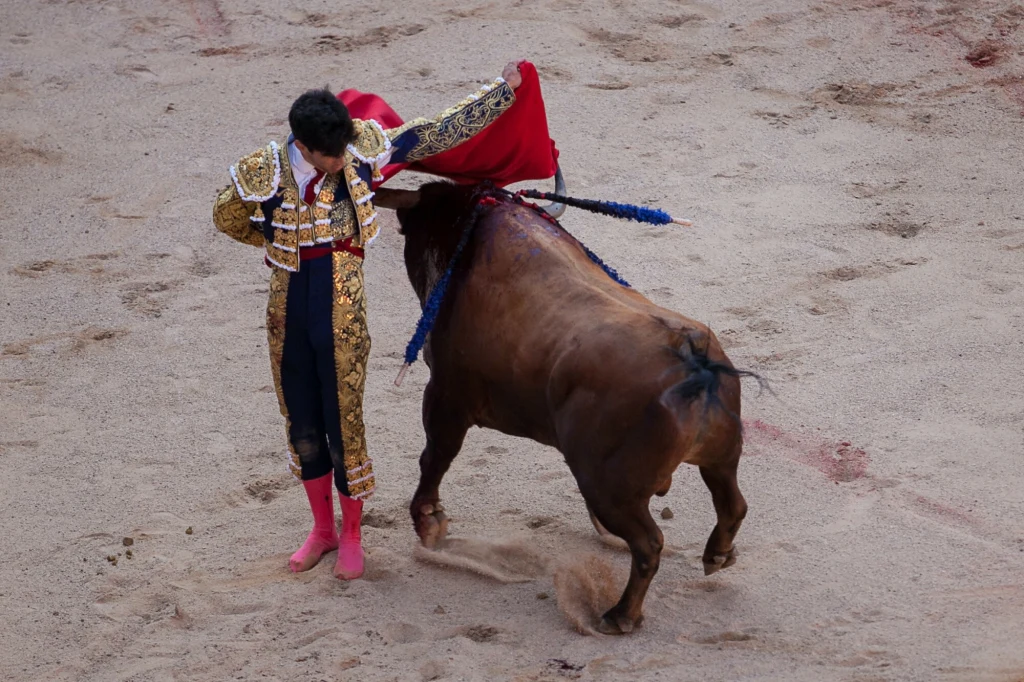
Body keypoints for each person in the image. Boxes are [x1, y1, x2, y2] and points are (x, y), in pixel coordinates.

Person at [213, 62, 523, 579]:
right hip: (287, 305)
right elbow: (226, 216)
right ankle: (321, 530)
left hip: (341, 304)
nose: (339, 161)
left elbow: (433, 131)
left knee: (343, 417)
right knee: (302, 419)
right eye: (329, 154)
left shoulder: (360, 145)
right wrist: (275, 240)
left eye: (342, 149)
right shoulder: (263, 170)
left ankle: (352, 533)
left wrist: (502, 93)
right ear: (305, 146)